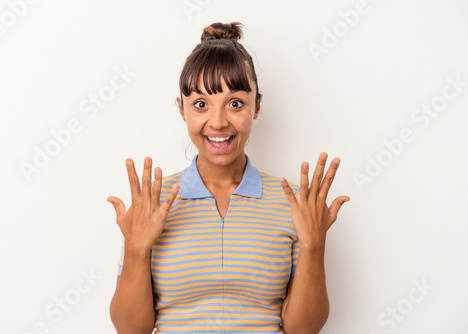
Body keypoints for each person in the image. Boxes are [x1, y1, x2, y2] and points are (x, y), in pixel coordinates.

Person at [107, 22, 350, 334]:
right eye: (201, 104)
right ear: (182, 110)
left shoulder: (294, 204)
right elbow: (131, 330)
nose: (218, 122)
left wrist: (314, 245)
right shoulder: (151, 203)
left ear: (256, 106)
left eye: (235, 103)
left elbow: (302, 330)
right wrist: (137, 249)